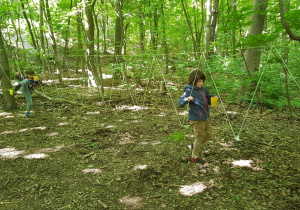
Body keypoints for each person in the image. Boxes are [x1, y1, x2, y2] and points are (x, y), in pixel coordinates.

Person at [178, 70, 217, 164]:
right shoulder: (189, 90)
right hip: (196, 118)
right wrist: (186, 99)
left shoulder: (204, 90)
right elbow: (180, 102)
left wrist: (214, 99)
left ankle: (193, 145)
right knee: (199, 137)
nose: (201, 83)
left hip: (205, 117)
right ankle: (194, 157)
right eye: (199, 81)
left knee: (209, 134)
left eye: (203, 81)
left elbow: (209, 102)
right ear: (193, 80)